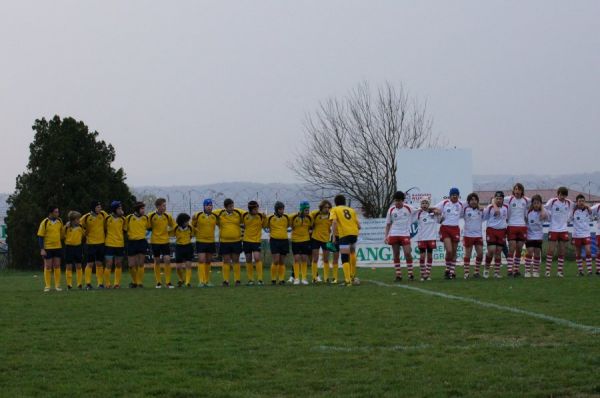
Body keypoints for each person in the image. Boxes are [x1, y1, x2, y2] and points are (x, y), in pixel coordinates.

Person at [434, 188, 465, 279]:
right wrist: (437, 211)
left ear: (458, 195)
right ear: (450, 195)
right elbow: (433, 208)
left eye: (456, 194)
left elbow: (472, 204)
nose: (454, 196)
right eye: (453, 194)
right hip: (445, 228)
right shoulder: (444, 203)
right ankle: (448, 268)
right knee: (449, 250)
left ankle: (451, 271)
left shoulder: (461, 204)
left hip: (455, 228)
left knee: (454, 251)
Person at [384, 191, 416, 281]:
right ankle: (398, 275)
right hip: (394, 234)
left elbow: (421, 209)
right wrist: (386, 236)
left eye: (399, 201)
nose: (397, 202)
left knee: (407, 253)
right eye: (396, 200)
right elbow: (388, 224)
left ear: (403, 200)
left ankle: (410, 274)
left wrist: (433, 209)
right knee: (396, 254)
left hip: (405, 234)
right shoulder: (391, 210)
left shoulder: (409, 208)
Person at [330, 194, 360, 286]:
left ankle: (348, 281)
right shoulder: (351, 210)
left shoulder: (334, 209)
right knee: (352, 252)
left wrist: (334, 236)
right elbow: (359, 225)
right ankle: (352, 276)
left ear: (335, 203)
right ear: (344, 202)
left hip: (344, 235)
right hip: (354, 234)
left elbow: (334, 222)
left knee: (344, 256)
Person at [544, 187, 574, 277]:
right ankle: (547, 271)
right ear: (558, 194)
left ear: (566, 195)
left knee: (562, 251)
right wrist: (548, 216)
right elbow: (544, 208)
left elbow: (576, 208)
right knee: (551, 250)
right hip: (553, 229)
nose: (562, 197)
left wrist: (569, 218)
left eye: (564, 195)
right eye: (560, 194)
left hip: (563, 230)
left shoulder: (569, 203)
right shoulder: (552, 201)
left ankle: (559, 271)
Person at [503, 183, 530, 277]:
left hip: (522, 226)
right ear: (513, 191)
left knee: (519, 249)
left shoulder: (526, 200)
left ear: (522, 191)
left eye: (519, 189)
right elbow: (495, 198)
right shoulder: (508, 199)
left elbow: (537, 201)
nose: (517, 191)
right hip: (511, 226)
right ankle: (510, 270)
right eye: (516, 189)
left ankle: (516, 270)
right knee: (512, 248)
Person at [215, 198, 244, 286]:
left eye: (233, 206)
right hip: (224, 241)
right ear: (225, 207)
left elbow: (245, 213)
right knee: (226, 261)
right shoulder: (220, 214)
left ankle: (237, 280)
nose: (232, 208)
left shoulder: (238, 213)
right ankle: (226, 281)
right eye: (230, 206)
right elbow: (212, 212)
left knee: (236, 260)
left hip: (236, 241)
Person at [80, 201, 109, 289]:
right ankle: (88, 283)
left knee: (99, 263)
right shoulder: (86, 217)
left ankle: (100, 283)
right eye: (98, 207)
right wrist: (85, 233)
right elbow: (79, 226)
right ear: (93, 208)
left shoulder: (103, 214)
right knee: (90, 264)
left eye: (100, 207)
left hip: (101, 243)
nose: (100, 208)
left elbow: (109, 221)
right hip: (90, 244)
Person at [148, 198, 176, 288]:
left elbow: (174, 226)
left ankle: (168, 282)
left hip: (165, 241)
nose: (165, 207)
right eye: (163, 205)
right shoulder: (151, 216)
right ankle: (158, 282)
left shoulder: (168, 216)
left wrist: (169, 232)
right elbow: (147, 227)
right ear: (158, 206)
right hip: (155, 241)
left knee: (167, 259)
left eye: (165, 205)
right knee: (157, 261)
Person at [192, 199, 218, 287]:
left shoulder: (215, 216)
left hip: (211, 241)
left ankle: (207, 280)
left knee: (208, 261)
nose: (209, 207)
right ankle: (201, 281)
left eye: (210, 205)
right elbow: (192, 225)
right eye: (207, 205)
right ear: (204, 206)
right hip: (201, 241)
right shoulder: (198, 215)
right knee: (201, 260)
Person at [37, 205, 64, 292]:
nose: (58, 213)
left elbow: (62, 234)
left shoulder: (60, 221)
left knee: (57, 266)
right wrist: (42, 249)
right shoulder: (44, 222)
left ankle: (57, 286)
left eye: (58, 211)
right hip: (48, 248)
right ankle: (47, 286)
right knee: (48, 266)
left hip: (58, 247)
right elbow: (40, 237)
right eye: (56, 212)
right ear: (51, 213)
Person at [483, 191, 509, 278]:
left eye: (500, 199)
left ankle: (496, 273)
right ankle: (486, 269)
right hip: (491, 230)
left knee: (498, 252)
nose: (499, 200)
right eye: (497, 198)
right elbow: (484, 217)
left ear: (503, 199)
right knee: (491, 251)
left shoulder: (506, 207)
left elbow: (507, 217)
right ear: (494, 199)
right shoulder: (490, 207)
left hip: (501, 231)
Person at [414, 198, 440, 281]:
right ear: (420, 205)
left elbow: (440, 215)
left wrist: (434, 211)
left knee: (429, 256)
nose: (424, 204)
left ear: (429, 205)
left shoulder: (433, 213)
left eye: (426, 203)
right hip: (421, 238)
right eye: (422, 203)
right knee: (422, 256)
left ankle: (427, 274)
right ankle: (422, 274)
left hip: (431, 238)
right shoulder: (418, 213)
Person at [242, 201, 267, 285]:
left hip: (256, 241)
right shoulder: (245, 216)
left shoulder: (260, 216)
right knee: (248, 259)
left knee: (257, 258)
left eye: (257, 208)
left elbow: (264, 225)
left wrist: (265, 218)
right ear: (250, 209)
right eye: (255, 209)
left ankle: (260, 279)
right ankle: (250, 280)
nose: (257, 210)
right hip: (246, 241)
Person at [125, 201, 149, 288]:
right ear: (137, 209)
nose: (143, 210)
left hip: (142, 242)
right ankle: (134, 282)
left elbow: (149, 228)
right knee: (131, 265)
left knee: (141, 264)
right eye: (142, 208)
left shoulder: (146, 218)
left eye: (144, 208)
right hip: (132, 242)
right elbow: (125, 229)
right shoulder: (129, 217)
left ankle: (139, 282)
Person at [104, 201, 126, 289]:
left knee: (118, 264)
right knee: (109, 263)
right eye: (119, 208)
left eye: (121, 208)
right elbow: (104, 229)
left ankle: (116, 284)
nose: (121, 210)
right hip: (109, 244)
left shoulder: (123, 219)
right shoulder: (107, 218)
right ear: (114, 209)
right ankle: (107, 284)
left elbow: (124, 230)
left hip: (120, 244)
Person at [267, 201, 290, 285]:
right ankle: (273, 279)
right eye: (280, 209)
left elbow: (289, 226)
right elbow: (265, 225)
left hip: (284, 241)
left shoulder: (286, 217)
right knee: (276, 260)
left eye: (283, 209)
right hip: (274, 241)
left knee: (282, 261)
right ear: (276, 210)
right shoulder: (270, 217)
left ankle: (281, 279)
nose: (282, 211)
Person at [524, 195, 548, 278]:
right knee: (530, 252)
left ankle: (536, 271)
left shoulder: (543, 213)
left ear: (541, 204)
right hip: (530, 235)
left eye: (538, 203)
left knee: (537, 253)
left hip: (539, 236)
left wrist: (542, 209)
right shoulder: (528, 212)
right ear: (532, 204)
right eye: (534, 203)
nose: (536, 205)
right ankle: (527, 271)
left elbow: (545, 215)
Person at [462, 193, 484, 279]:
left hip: (478, 235)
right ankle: (466, 273)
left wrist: (481, 207)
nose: (473, 201)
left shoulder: (481, 210)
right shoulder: (465, 209)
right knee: (468, 254)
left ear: (478, 201)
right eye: (471, 200)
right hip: (468, 235)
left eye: (475, 200)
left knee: (480, 254)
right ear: (468, 202)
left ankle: (476, 272)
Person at [291, 201, 313, 285]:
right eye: (306, 210)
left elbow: (311, 227)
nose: (308, 212)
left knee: (304, 258)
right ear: (301, 209)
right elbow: (289, 225)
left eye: (308, 210)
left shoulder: (310, 218)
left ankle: (304, 278)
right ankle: (296, 278)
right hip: (295, 241)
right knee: (296, 259)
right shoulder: (293, 217)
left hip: (305, 240)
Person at [570, 194, 593, 276]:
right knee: (578, 253)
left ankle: (590, 271)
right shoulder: (573, 211)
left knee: (588, 251)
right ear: (577, 202)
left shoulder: (588, 210)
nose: (581, 202)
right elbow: (568, 219)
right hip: (577, 235)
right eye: (579, 201)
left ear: (585, 202)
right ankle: (580, 271)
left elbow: (592, 212)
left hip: (586, 234)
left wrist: (588, 207)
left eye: (583, 201)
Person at [310, 200, 332, 283]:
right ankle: (314, 278)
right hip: (315, 238)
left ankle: (326, 278)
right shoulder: (314, 214)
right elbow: (309, 222)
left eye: (328, 207)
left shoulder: (331, 215)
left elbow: (333, 226)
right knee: (315, 259)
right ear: (321, 207)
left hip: (327, 239)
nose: (327, 209)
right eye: (325, 207)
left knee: (326, 259)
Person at [63, 211, 84, 289]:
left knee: (79, 265)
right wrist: (66, 226)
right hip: (69, 248)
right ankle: (69, 284)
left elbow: (83, 235)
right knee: (69, 266)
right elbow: (62, 235)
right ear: (72, 220)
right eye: (78, 219)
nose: (79, 221)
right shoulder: (66, 227)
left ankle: (79, 284)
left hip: (78, 247)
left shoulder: (80, 227)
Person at [173, 213, 194, 287]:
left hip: (188, 247)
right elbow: (170, 234)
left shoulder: (190, 227)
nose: (188, 222)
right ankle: (181, 279)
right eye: (186, 221)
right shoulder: (175, 228)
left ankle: (188, 282)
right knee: (178, 267)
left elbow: (191, 235)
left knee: (188, 265)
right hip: (179, 247)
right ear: (182, 221)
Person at [593, 202, 600, 275]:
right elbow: (588, 210)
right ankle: (598, 269)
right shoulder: (597, 207)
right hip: (599, 233)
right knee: (599, 251)